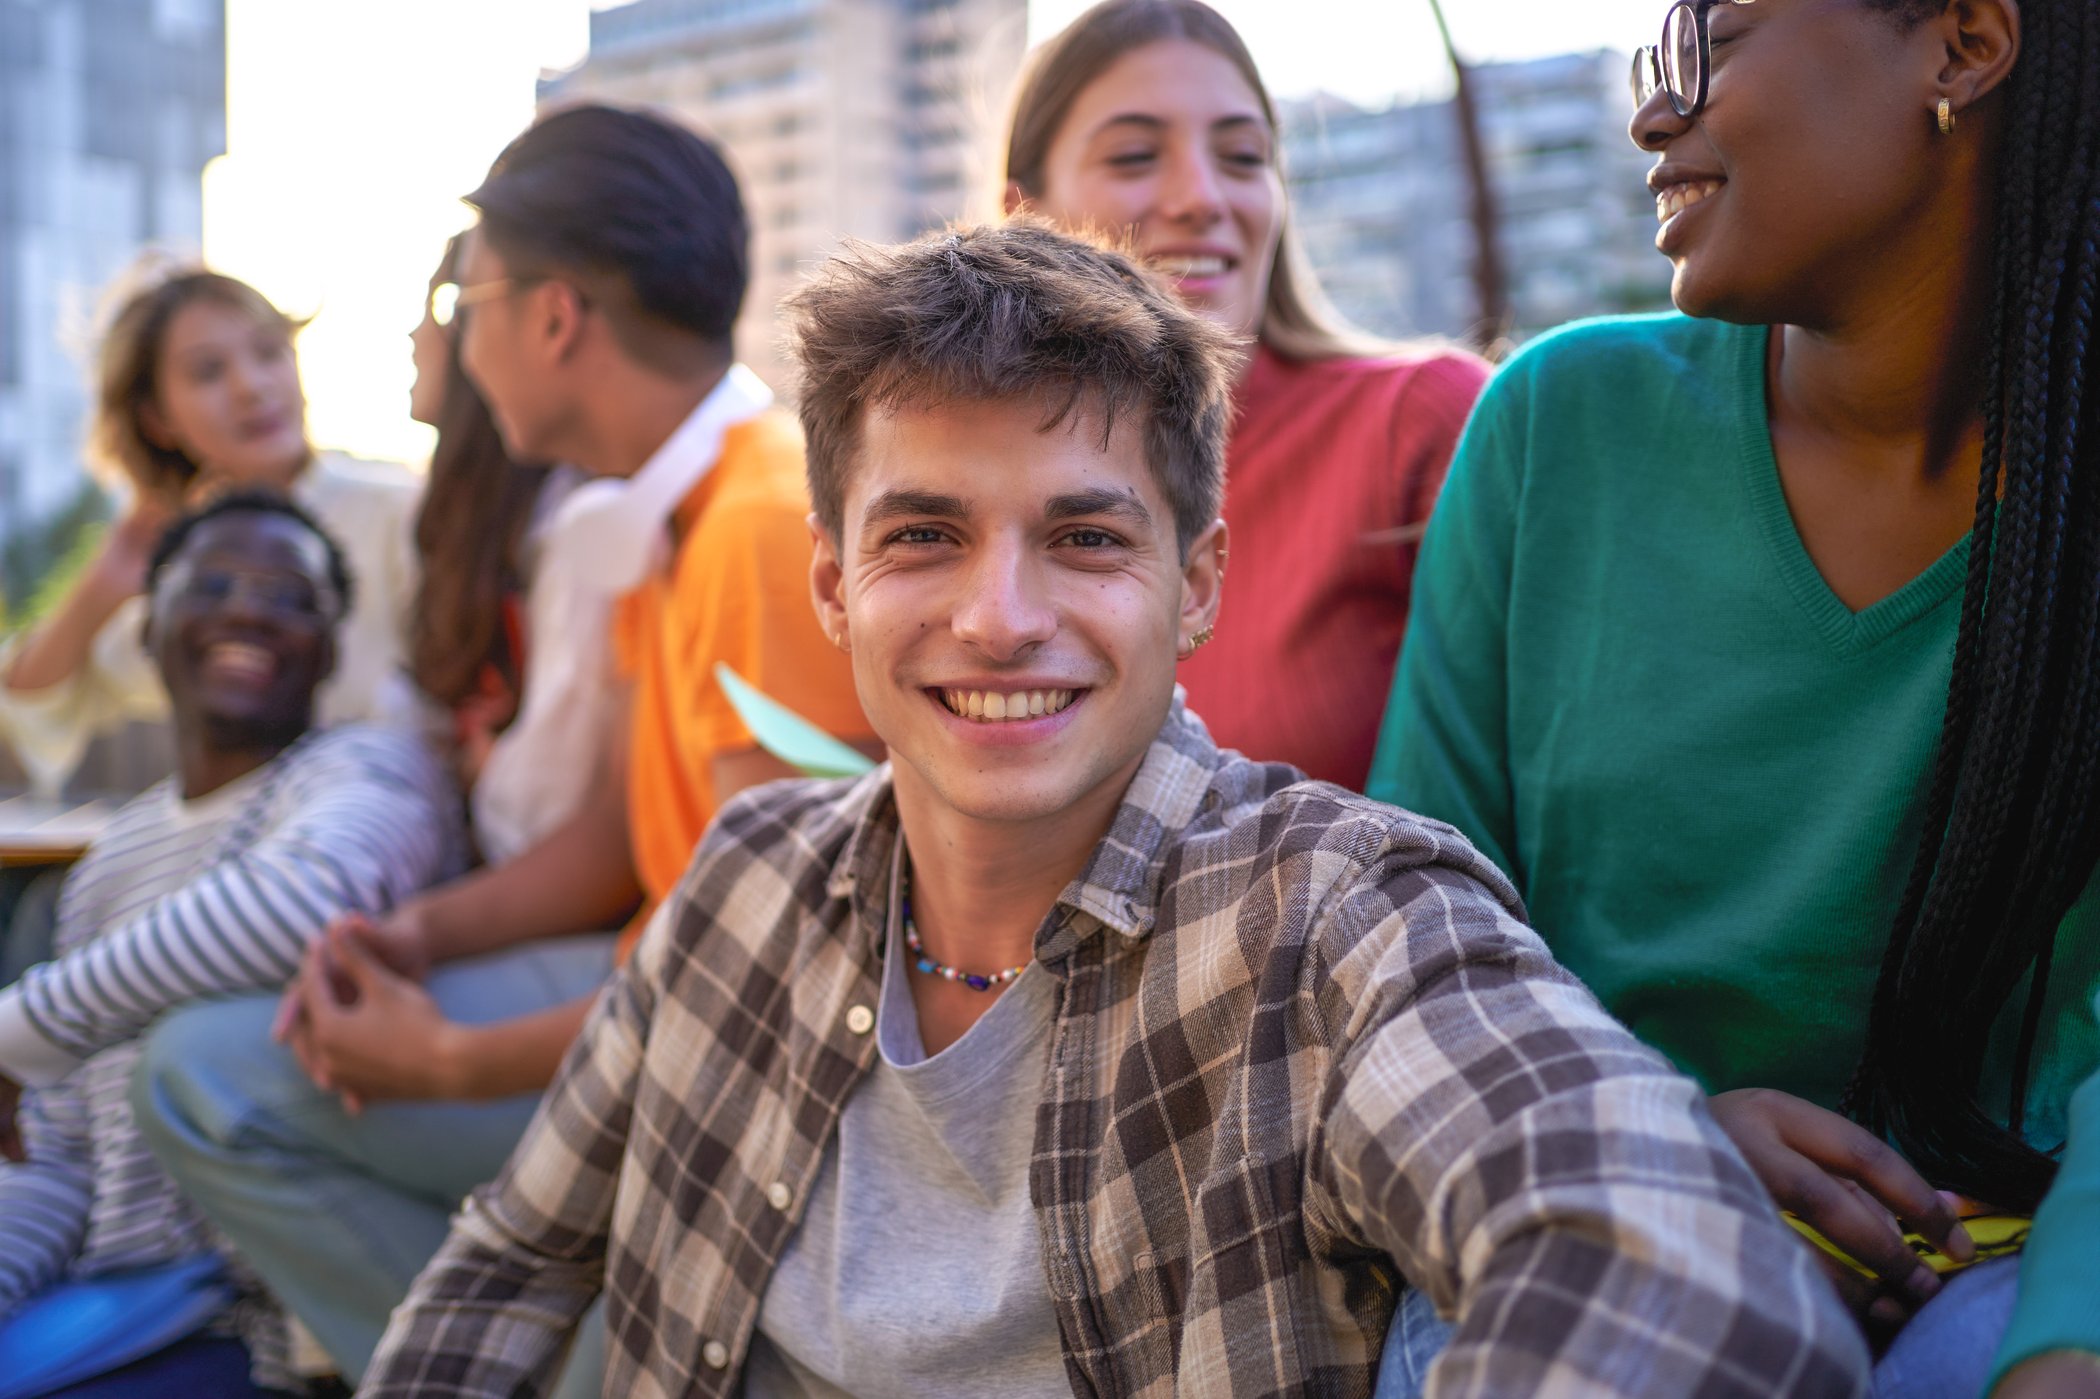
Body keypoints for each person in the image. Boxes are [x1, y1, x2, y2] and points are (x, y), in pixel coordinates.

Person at [357, 220, 1867, 1398]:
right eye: (924, 536)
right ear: (833, 583)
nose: (1000, 617)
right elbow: (510, 1256)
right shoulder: (744, 878)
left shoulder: (1335, 917)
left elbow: (1686, 1283)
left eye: (1084, 536)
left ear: (1195, 584)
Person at [1368, 0, 2099, 1394]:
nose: (1652, 112)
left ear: (1963, 43)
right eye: (1650, 60)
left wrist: (2065, 1348)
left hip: (2022, 1256)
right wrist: (1653, 1128)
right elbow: (1410, 948)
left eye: (1715, 36)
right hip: (1590, 1202)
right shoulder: (1554, 431)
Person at [132, 104, 871, 1389]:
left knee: (204, 1079)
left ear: (552, 316)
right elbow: (622, 840)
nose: (459, 338)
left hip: (730, 1089)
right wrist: (424, 936)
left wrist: (449, 1059)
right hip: (648, 1009)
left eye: (469, 299)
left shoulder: (754, 526)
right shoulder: (672, 506)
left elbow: (772, 978)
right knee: (219, 1053)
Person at [0, 492, 456, 1396]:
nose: (249, 608)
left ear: (329, 646)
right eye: (212, 584)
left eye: (291, 597)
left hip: (264, 1326)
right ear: (148, 626)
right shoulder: (114, 857)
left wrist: (26, 1020)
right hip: (111, 1309)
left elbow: (310, 902)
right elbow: (54, 1146)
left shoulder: (364, 773)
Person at [1000, 0, 1488, 790]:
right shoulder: (968, 476)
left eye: (1242, 156)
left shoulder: (1424, 421)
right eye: (1133, 157)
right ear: (1024, 215)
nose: (1202, 196)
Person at [0, 264, 427, 794]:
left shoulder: (401, 511)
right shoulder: (182, 570)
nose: (251, 387)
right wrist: (107, 580)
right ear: (157, 417)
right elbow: (28, 702)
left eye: (269, 352)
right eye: (208, 372)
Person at [406, 234, 622, 866]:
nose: (417, 334)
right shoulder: (468, 520)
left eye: (446, 304)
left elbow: (545, 809)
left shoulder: (578, 522)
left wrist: (485, 773)